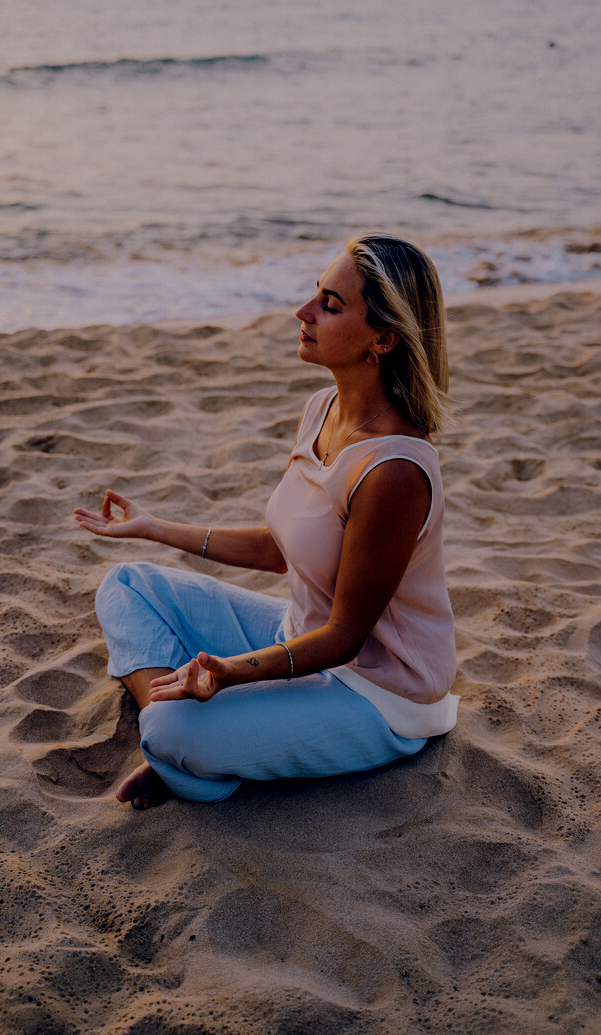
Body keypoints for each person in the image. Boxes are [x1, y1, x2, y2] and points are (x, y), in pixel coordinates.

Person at [73, 233, 458, 809]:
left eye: (330, 305)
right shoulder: (321, 409)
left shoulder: (394, 470)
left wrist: (230, 673)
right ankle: (200, 737)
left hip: (376, 691)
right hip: (298, 634)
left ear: (383, 337)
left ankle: (189, 751)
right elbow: (282, 551)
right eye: (314, 295)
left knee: (166, 732)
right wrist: (155, 527)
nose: (303, 313)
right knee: (126, 584)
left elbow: (345, 639)